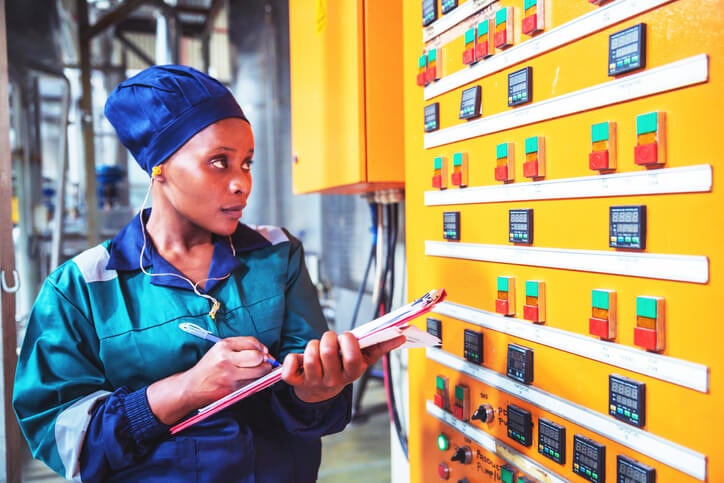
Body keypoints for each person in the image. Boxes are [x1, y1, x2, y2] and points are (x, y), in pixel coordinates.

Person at [12, 64, 405, 482]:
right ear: (159, 166)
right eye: (220, 162)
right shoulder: (82, 289)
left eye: (247, 163)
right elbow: (64, 436)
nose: (242, 184)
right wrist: (187, 389)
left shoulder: (276, 256)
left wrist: (315, 393)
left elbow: (305, 401)